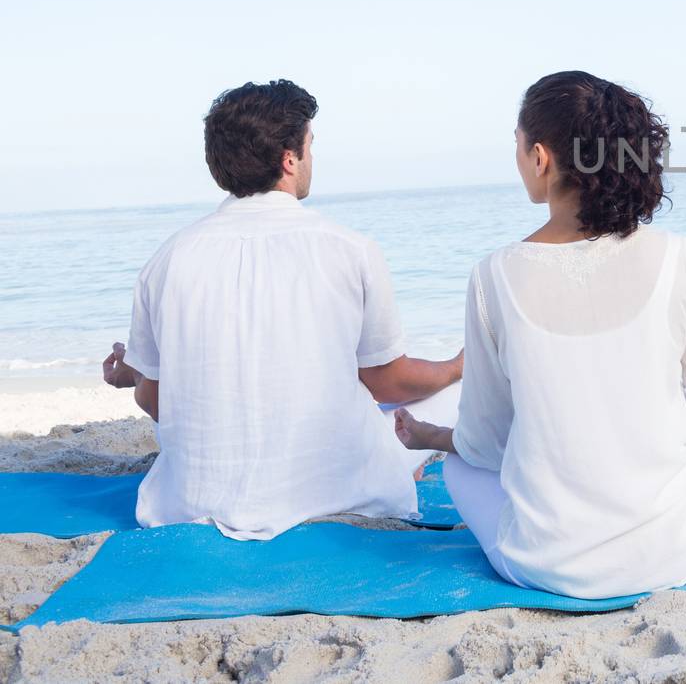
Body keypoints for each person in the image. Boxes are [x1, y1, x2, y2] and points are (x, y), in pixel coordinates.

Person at [393, 71, 686, 599]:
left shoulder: (493, 276)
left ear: (540, 157)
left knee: (458, 468)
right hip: (675, 554)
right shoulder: (683, 259)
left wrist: (432, 438)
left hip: (545, 565)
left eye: (518, 147)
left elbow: (488, 445)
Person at [100, 79, 462, 539]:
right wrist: (455, 366)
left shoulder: (167, 259)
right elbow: (387, 379)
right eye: (310, 145)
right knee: (448, 390)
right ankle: (390, 468)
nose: (312, 158)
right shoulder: (350, 249)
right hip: (332, 492)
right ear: (290, 158)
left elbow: (153, 399)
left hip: (189, 501)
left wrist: (136, 370)